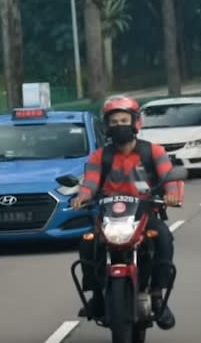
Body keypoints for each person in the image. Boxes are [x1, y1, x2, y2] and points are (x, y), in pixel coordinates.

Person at [70, 95, 183, 330]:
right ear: (107, 127)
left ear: (135, 123)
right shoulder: (100, 156)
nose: (119, 126)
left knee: (163, 238)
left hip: (144, 213)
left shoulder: (153, 151)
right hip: (109, 215)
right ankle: (97, 297)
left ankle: (157, 297)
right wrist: (82, 197)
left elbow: (169, 178)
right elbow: (90, 183)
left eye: (124, 120)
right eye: (114, 122)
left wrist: (172, 195)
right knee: (87, 242)